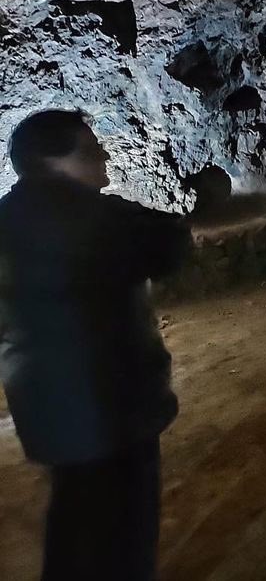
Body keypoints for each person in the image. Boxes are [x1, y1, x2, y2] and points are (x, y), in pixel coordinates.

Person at [0, 109, 191, 579]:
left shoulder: (5, 218)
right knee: (124, 541)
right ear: (56, 160)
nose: (104, 154)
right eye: (91, 147)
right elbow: (170, 244)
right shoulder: (94, 215)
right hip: (113, 412)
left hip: (46, 411)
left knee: (74, 526)